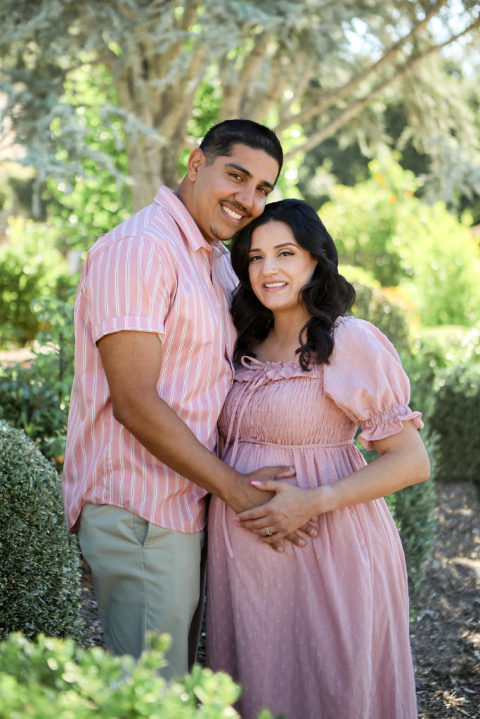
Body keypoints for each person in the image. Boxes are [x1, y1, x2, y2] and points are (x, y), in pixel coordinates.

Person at [62, 120, 316, 679]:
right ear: (196, 163)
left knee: (171, 684)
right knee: (151, 692)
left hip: (187, 506)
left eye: (263, 189)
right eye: (237, 176)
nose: (248, 200)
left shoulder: (213, 260)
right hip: (142, 508)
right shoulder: (140, 250)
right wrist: (236, 489)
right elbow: (134, 401)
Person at [206, 198, 430, 719]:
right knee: (254, 688)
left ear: (316, 261)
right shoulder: (241, 340)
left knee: (333, 686)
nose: (268, 269)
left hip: (329, 545)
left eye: (285, 253)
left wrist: (313, 502)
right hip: (244, 557)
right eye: (256, 257)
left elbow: (411, 461)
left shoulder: (349, 341)